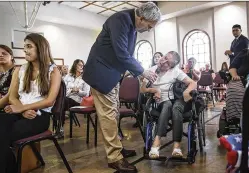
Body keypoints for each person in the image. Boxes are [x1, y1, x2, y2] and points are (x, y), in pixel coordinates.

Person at [82, 2, 161, 172]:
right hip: (101, 74)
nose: (148, 29)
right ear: (141, 17)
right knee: (109, 115)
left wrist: (138, 73)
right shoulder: (121, 20)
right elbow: (122, 53)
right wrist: (143, 71)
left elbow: (124, 54)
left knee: (114, 112)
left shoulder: (131, 23)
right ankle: (114, 157)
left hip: (111, 75)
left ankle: (116, 147)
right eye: (149, 26)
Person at [0, 33, 61, 172]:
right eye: (24, 47)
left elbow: (49, 101)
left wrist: (23, 108)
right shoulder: (20, 69)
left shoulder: (53, 71)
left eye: (29, 46)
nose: (25, 50)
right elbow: (12, 97)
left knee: (1, 135)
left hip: (39, 116)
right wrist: (23, 110)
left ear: (41, 48)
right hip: (21, 112)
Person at [140, 51, 197, 158]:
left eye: (168, 63)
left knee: (170, 105)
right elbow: (142, 89)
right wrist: (154, 90)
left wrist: (186, 91)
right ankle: (159, 143)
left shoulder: (175, 71)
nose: (163, 62)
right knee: (166, 104)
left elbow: (193, 83)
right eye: (165, 57)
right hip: (159, 102)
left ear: (171, 66)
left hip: (171, 101)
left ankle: (165, 144)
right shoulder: (151, 70)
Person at [226, 31, 249, 121]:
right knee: (233, 89)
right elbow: (233, 67)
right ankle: (238, 121)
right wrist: (234, 75)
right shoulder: (245, 53)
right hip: (242, 80)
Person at [0, 45, 15, 112]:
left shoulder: (16, 71)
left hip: (13, 110)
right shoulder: (2, 75)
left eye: (4, 53)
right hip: (0, 110)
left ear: (12, 56)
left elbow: (8, 97)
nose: (1, 55)